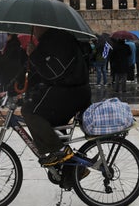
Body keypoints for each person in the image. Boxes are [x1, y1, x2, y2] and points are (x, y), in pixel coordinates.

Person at [21, 27, 91, 166]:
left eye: (35, 27)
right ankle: (71, 170)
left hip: (71, 92)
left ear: (43, 25)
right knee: (51, 123)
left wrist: (34, 54)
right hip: (72, 91)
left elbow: (53, 72)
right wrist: (12, 89)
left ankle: (60, 150)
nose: (33, 30)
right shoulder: (52, 39)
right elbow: (36, 73)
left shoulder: (57, 40)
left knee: (29, 110)